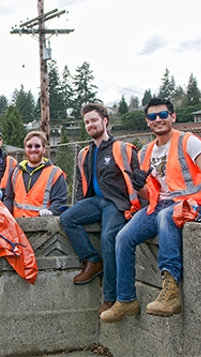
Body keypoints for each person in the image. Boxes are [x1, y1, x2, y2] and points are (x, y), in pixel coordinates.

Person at [101, 97, 201, 323]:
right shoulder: (145, 152)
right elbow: (151, 196)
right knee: (123, 237)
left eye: (163, 115)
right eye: (152, 116)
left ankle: (171, 293)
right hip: (160, 206)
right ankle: (126, 299)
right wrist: (139, 187)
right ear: (147, 122)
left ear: (173, 117)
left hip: (193, 202)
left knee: (168, 217)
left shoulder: (188, 141)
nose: (158, 120)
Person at [60, 103, 142, 316]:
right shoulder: (85, 153)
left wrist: (137, 206)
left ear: (105, 121)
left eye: (94, 120)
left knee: (108, 239)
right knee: (68, 218)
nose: (90, 125)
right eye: (86, 122)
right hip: (95, 201)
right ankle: (93, 261)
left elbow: (139, 179)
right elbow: (81, 185)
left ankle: (110, 297)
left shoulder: (122, 148)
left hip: (116, 202)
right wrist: (78, 204)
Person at [4, 130, 67, 217]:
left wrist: (51, 211)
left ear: (44, 149)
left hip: (42, 226)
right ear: (25, 148)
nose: (33, 149)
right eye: (29, 146)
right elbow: (8, 198)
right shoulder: (15, 172)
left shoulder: (55, 173)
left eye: (37, 146)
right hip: (16, 225)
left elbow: (59, 201)